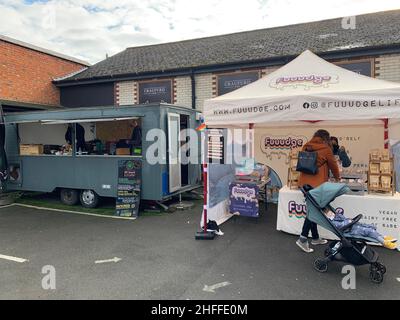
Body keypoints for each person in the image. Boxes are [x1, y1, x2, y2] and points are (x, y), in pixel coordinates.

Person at [296, 129, 341, 253]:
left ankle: (315, 238)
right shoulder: (326, 149)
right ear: (326, 138)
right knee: (314, 211)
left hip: (304, 184)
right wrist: (338, 178)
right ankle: (303, 239)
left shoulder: (306, 146)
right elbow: (333, 165)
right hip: (317, 185)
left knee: (313, 209)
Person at [324, 209, 397, 250]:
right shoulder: (333, 222)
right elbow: (341, 225)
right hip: (350, 230)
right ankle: (384, 242)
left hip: (353, 226)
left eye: (331, 212)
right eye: (329, 214)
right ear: (327, 217)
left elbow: (342, 217)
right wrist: (348, 221)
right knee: (369, 231)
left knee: (370, 227)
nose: (331, 214)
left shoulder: (336, 217)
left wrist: (338, 213)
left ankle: (384, 237)